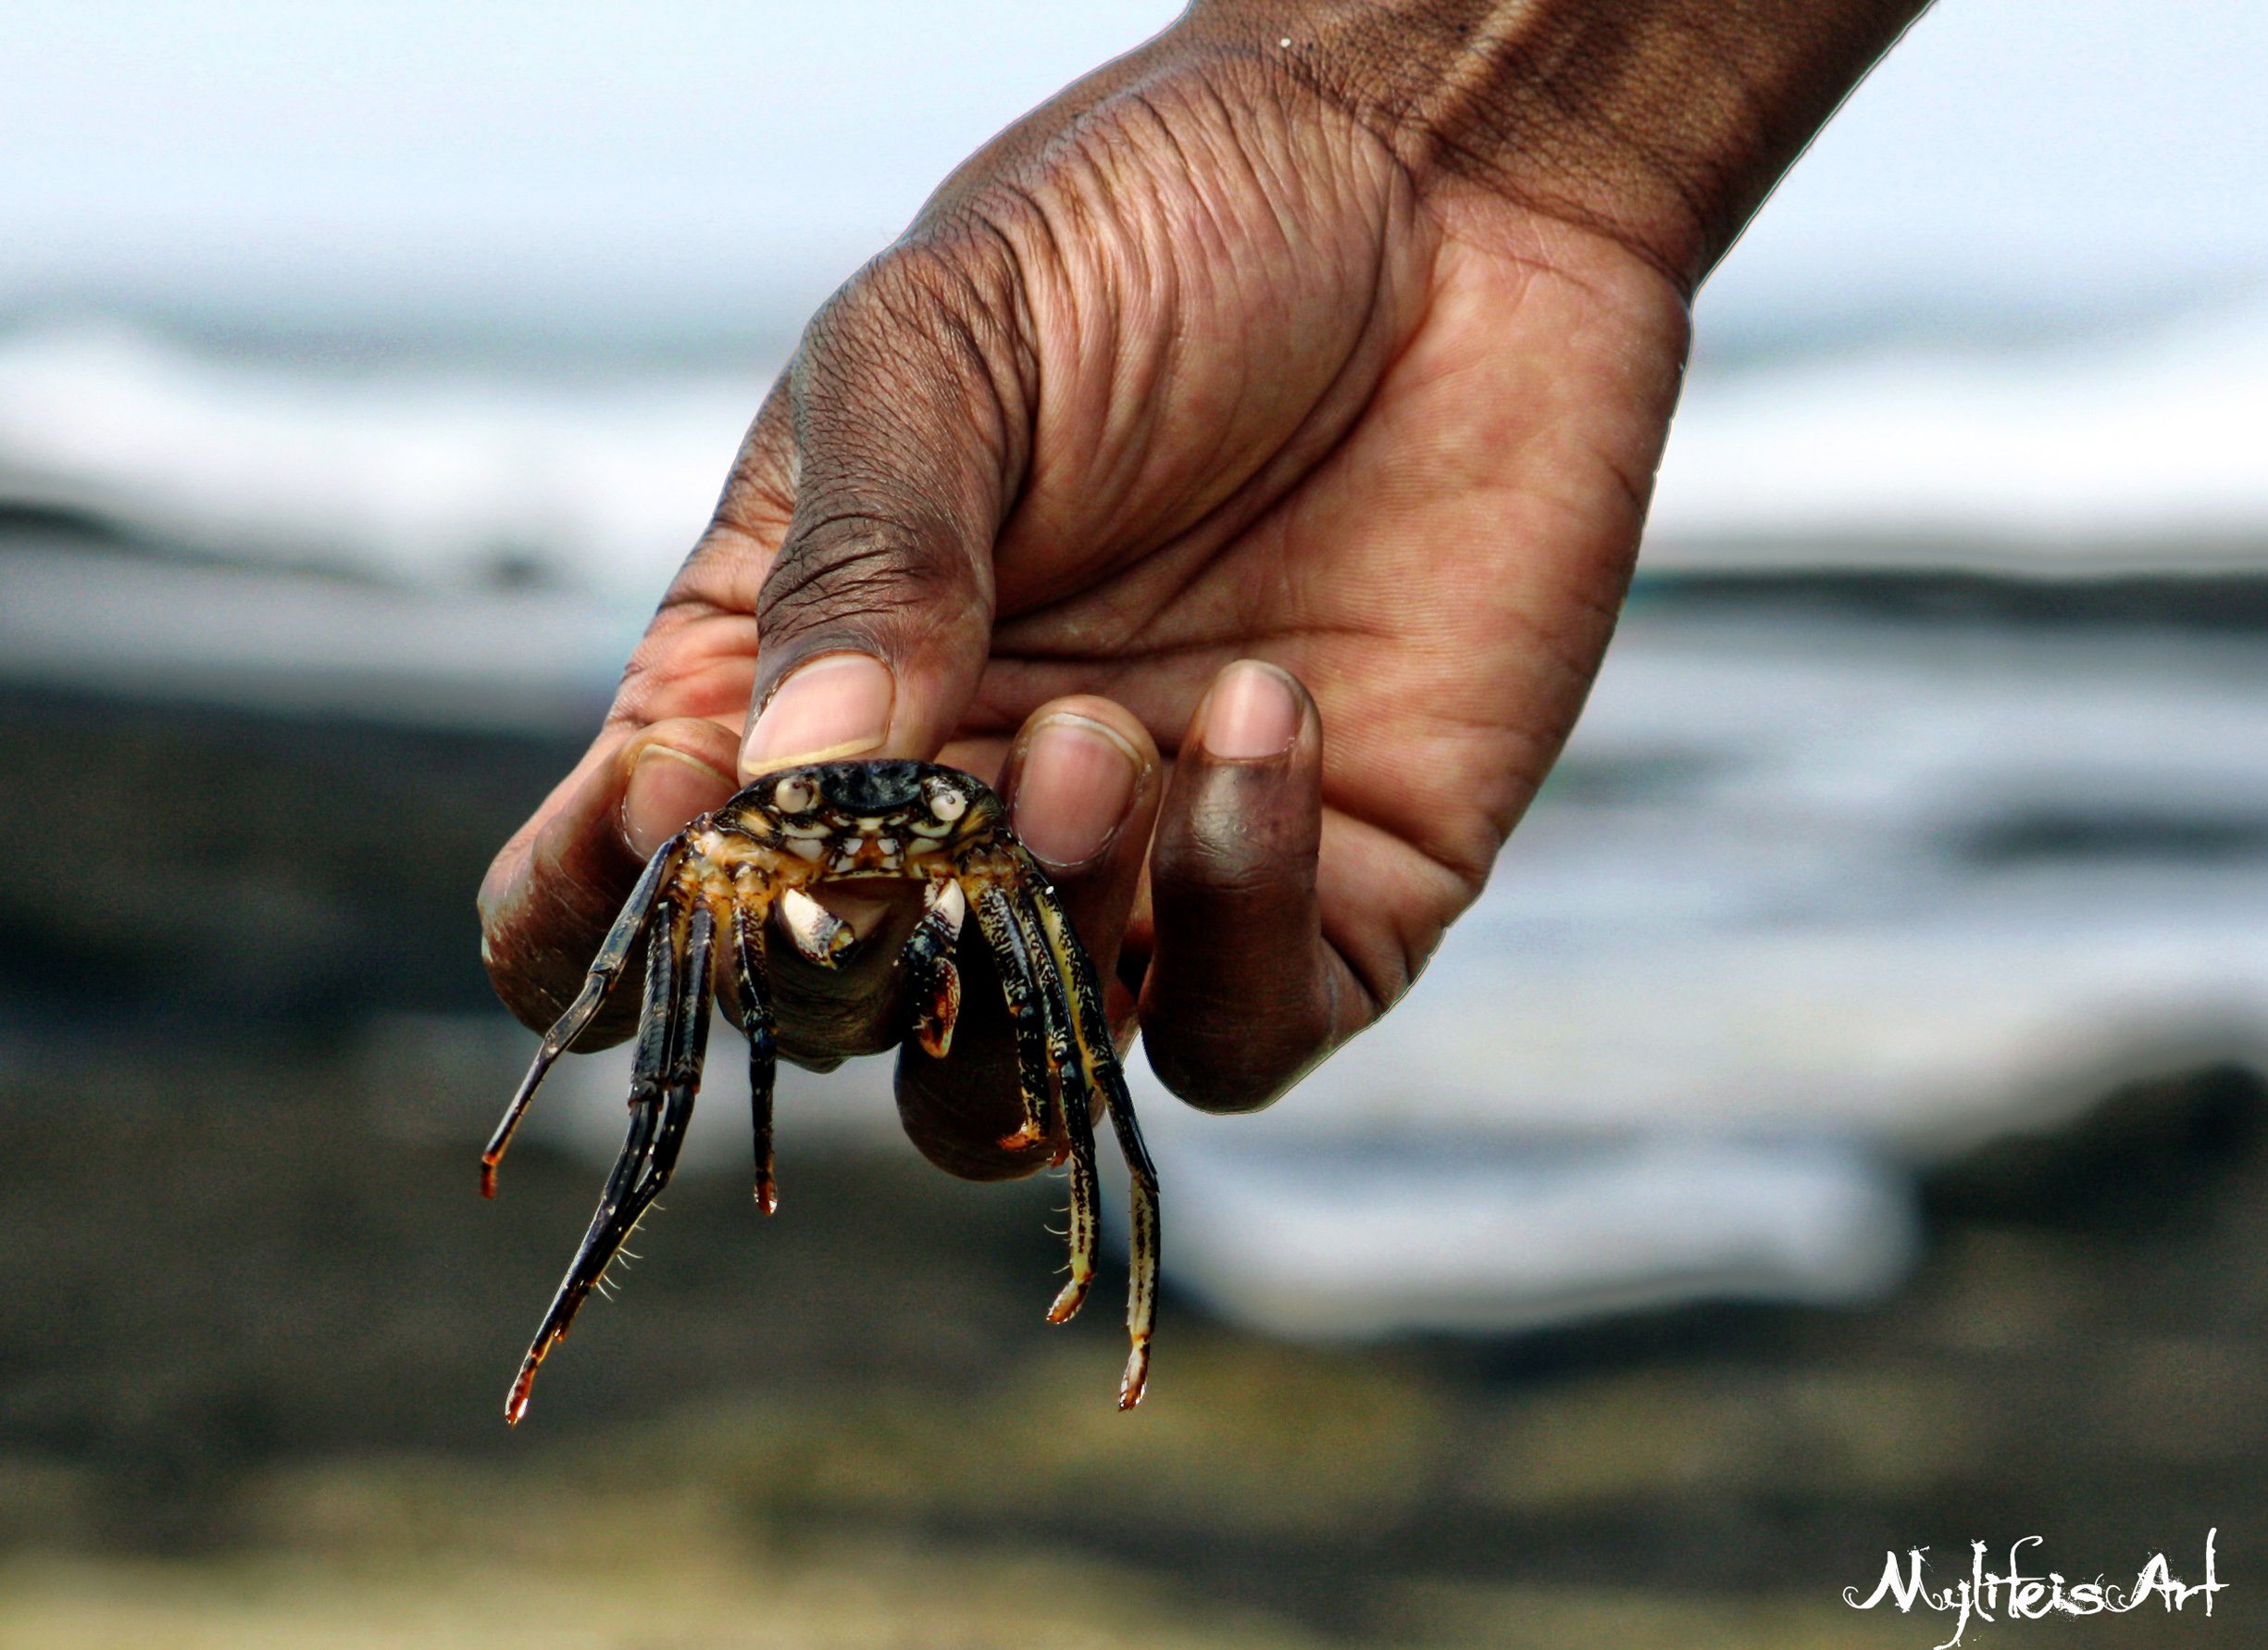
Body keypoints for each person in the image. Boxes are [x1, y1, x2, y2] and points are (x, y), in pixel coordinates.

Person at [479, 0, 1930, 1176]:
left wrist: (1462, 132)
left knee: (1045, 963)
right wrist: (1461, 135)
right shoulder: (740, 835)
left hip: (998, 803)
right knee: (707, 958)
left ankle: (1107, 1230)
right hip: (848, 834)